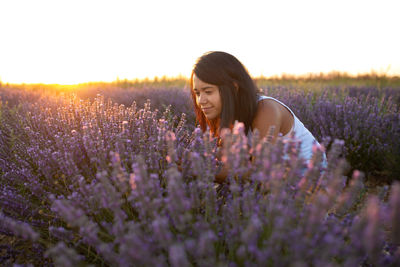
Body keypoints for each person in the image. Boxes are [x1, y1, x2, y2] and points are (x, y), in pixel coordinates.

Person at [189, 51, 326, 183]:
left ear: (233, 87)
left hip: (310, 189)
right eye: (198, 93)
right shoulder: (225, 114)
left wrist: (198, 169)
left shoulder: (265, 110)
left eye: (208, 91)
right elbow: (228, 161)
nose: (201, 100)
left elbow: (259, 174)